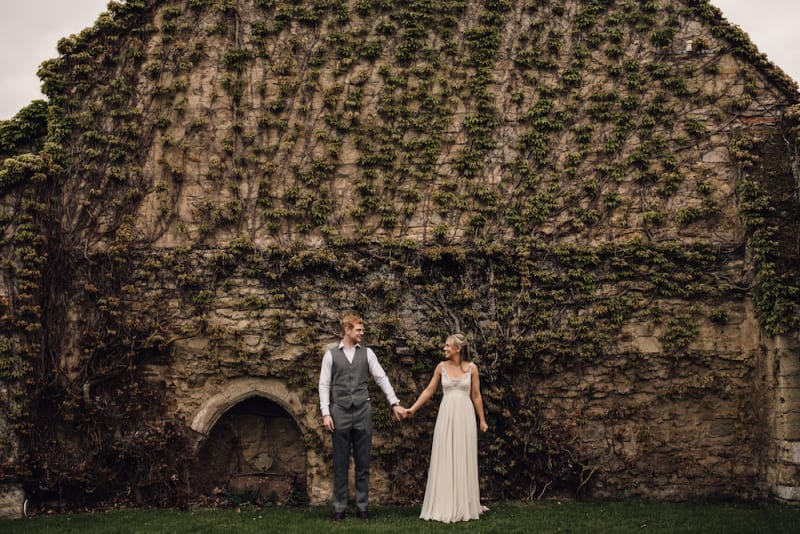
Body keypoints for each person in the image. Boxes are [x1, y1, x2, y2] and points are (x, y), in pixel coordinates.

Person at [318, 314, 406, 521]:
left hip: (362, 411)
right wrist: (326, 413)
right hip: (339, 411)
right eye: (358, 329)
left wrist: (394, 402)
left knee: (363, 462)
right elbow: (324, 385)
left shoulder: (368, 354)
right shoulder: (330, 355)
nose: (362, 333)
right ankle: (339, 508)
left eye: (362, 329)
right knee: (340, 462)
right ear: (347, 330)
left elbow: (381, 377)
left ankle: (362, 507)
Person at [406, 333, 488, 523]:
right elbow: (429, 390)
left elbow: (476, 396)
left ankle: (464, 503)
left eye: (447, 346)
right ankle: (444, 503)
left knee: (462, 456)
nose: (444, 348)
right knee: (445, 456)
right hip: (446, 416)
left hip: (465, 416)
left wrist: (482, 420)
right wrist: (412, 409)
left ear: (458, 349)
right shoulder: (440, 368)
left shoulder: (472, 369)